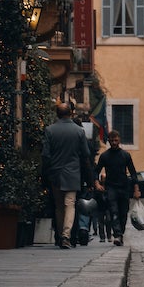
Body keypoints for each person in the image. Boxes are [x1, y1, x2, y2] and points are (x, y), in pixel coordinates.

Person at [42, 100, 93, 248]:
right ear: (71, 113)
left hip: (56, 174)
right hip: (73, 173)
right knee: (70, 204)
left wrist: (45, 173)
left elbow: (45, 155)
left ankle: (60, 235)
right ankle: (66, 235)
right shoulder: (79, 131)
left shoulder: (50, 130)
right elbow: (86, 154)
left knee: (59, 206)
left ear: (57, 114)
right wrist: (89, 179)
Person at [95, 130, 141, 247]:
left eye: (116, 140)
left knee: (123, 213)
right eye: (111, 140)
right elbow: (96, 171)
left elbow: (133, 173)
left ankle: (120, 234)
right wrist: (97, 183)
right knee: (113, 211)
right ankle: (117, 234)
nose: (114, 143)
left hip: (124, 187)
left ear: (119, 140)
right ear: (109, 141)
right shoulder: (105, 156)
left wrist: (136, 189)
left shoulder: (125, 155)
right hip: (111, 187)